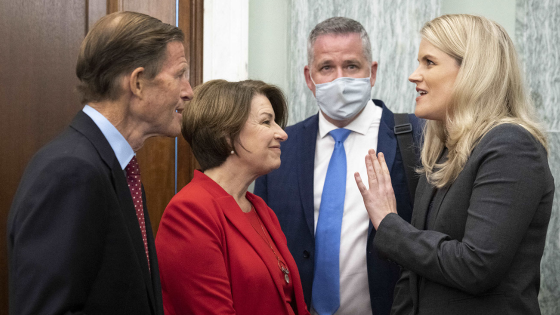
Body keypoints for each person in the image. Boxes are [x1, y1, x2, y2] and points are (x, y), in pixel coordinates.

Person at [355, 14, 553, 315]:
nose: (413, 75)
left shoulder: (511, 146)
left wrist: (389, 224)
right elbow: (413, 278)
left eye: (429, 63)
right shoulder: (444, 151)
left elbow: (476, 267)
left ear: (472, 72)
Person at [7, 11, 193, 315]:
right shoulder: (70, 172)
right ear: (138, 83)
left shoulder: (115, 167)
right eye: (179, 75)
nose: (189, 91)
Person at [254, 17, 422, 315]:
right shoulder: (280, 146)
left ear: (372, 73)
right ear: (309, 77)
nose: (340, 79)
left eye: (352, 66)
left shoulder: (415, 138)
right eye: (327, 67)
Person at [155, 79, 310, 315]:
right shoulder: (190, 211)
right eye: (266, 121)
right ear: (226, 135)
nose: (282, 133)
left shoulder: (260, 209)